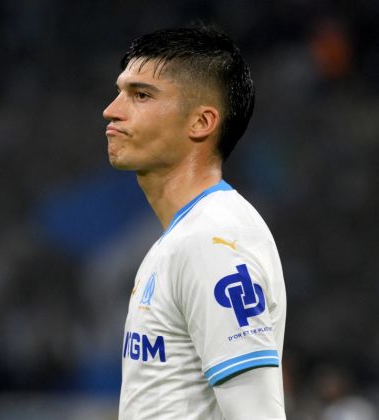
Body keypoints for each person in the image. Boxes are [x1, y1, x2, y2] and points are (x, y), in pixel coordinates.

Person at [103, 25, 287, 419]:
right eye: (120, 91)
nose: (112, 109)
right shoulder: (183, 238)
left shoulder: (214, 241)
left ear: (201, 123)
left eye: (140, 95)